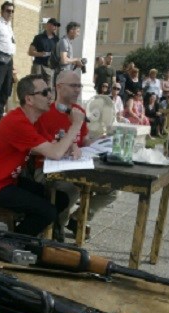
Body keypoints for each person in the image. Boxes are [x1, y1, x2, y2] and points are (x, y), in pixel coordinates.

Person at [0, 74, 82, 237]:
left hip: (9, 181)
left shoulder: (33, 120)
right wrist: (76, 124)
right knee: (47, 212)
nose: (50, 96)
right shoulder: (17, 122)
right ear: (29, 100)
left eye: (50, 91)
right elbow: (56, 153)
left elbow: (53, 147)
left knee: (61, 199)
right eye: (45, 93)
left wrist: (72, 143)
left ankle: (31, 232)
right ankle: (10, 242)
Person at [35, 71, 116, 239]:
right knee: (71, 190)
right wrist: (68, 145)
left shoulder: (79, 111)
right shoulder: (45, 112)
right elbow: (43, 146)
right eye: (73, 85)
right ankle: (56, 229)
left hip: (78, 167)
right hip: (48, 169)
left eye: (79, 85)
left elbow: (84, 141)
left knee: (112, 189)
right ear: (58, 87)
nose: (77, 89)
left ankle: (77, 218)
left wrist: (100, 142)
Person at [28, 18, 60, 85]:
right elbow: (30, 52)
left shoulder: (57, 40)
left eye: (57, 25)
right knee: (36, 86)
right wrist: (42, 54)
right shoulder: (38, 37)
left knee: (48, 89)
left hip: (49, 68)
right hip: (38, 66)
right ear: (48, 25)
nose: (55, 27)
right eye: (54, 25)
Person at [55, 22, 84, 86]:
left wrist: (76, 63)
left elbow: (67, 60)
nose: (78, 34)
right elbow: (64, 60)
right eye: (78, 31)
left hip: (66, 72)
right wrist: (76, 59)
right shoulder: (64, 42)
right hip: (63, 73)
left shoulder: (68, 42)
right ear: (71, 30)